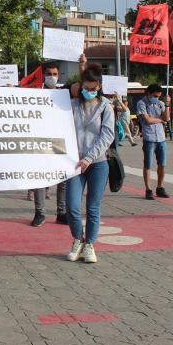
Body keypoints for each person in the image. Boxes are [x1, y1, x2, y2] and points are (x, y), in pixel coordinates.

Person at [64, 64, 115, 264]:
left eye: (93, 88)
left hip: (98, 164)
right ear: (81, 86)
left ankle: (90, 244)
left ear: (99, 87)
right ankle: (78, 238)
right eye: (86, 87)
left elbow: (107, 136)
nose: (89, 91)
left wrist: (89, 158)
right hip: (75, 164)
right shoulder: (73, 105)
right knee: (72, 206)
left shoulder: (106, 107)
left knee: (93, 207)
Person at [29, 61, 71, 227]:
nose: (51, 77)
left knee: (63, 179)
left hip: (60, 141)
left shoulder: (64, 95)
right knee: (40, 178)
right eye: (48, 74)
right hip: (40, 142)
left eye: (54, 74)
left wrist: (83, 65)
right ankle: (39, 213)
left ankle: (61, 212)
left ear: (59, 76)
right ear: (43, 76)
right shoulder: (34, 94)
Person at [137, 84, 172, 201]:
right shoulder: (142, 103)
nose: (156, 98)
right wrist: (160, 120)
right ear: (149, 93)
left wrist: (167, 105)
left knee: (162, 164)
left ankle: (160, 187)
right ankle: (148, 189)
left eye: (158, 96)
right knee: (148, 165)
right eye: (155, 96)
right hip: (149, 138)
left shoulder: (161, 104)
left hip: (161, 138)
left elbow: (167, 119)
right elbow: (147, 120)